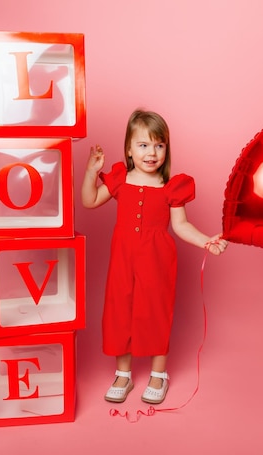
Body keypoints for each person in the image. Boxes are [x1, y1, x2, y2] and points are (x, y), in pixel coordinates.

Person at [82, 109, 228, 405]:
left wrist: (206, 241)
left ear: (166, 149)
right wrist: (89, 172)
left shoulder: (170, 187)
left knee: (155, 311)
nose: (152, 153)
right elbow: (89, 201)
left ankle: (158, 374)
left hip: (157, 259)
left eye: (159, 146)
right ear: (129, 149)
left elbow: (181, 225)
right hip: (123, 258)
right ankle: (123, 374)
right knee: (119, 309)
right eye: (144, 145)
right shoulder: (120, 178)